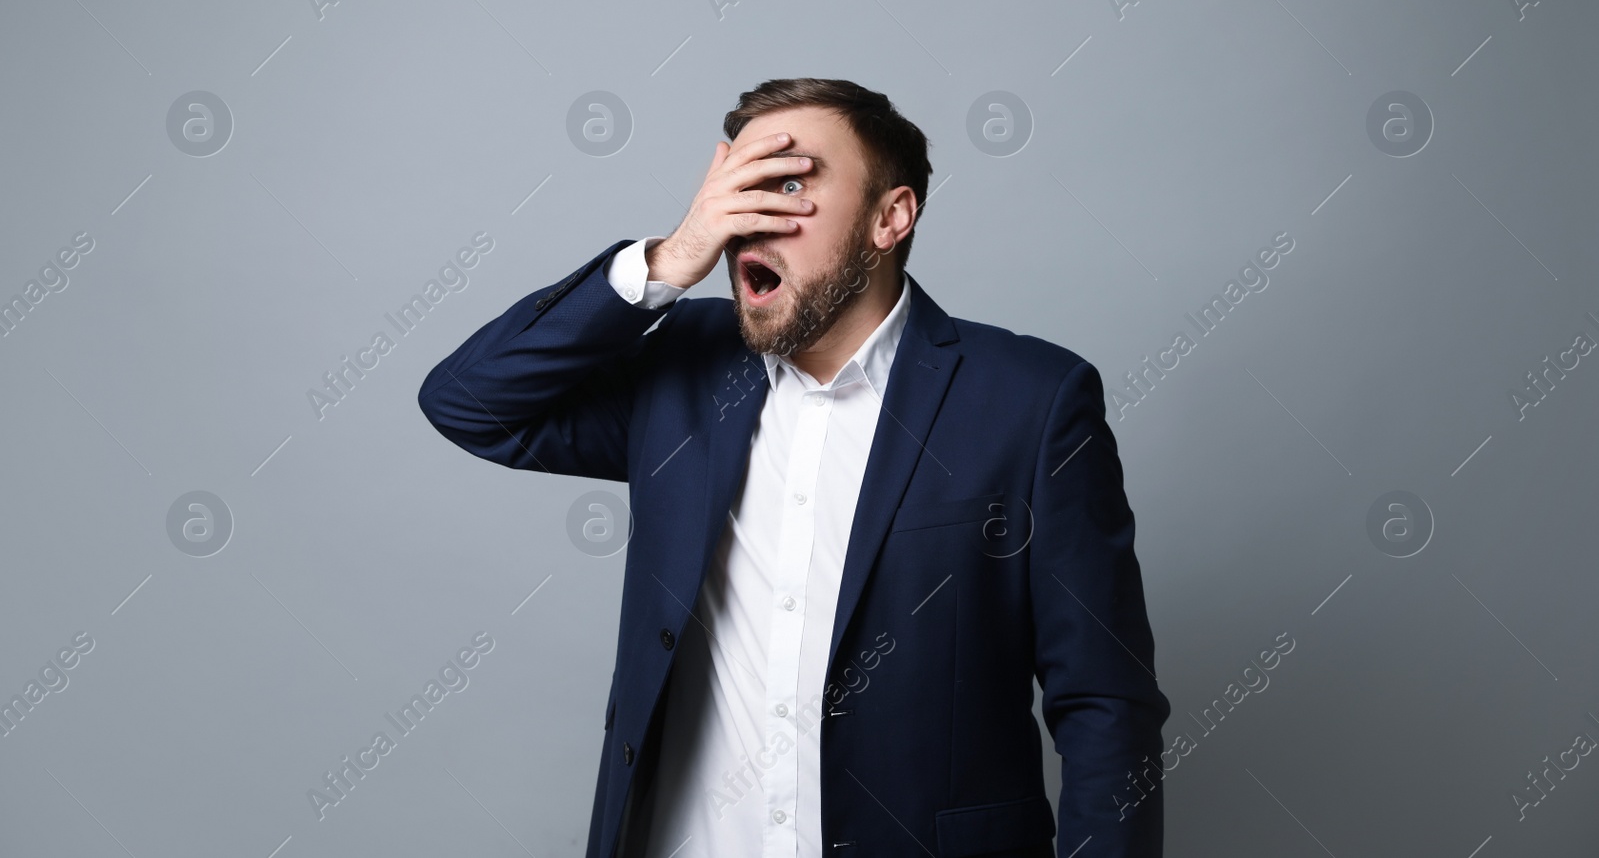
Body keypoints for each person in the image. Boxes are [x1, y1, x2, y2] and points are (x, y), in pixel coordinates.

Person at [417, 78, 1171, 857]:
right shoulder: (682, 373)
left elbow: (1106, 703)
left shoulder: (1030, 402)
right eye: (735, 187)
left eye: (788, 185)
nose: (748, 219)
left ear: (891, 216)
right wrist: (670, 258)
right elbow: (471, 402)